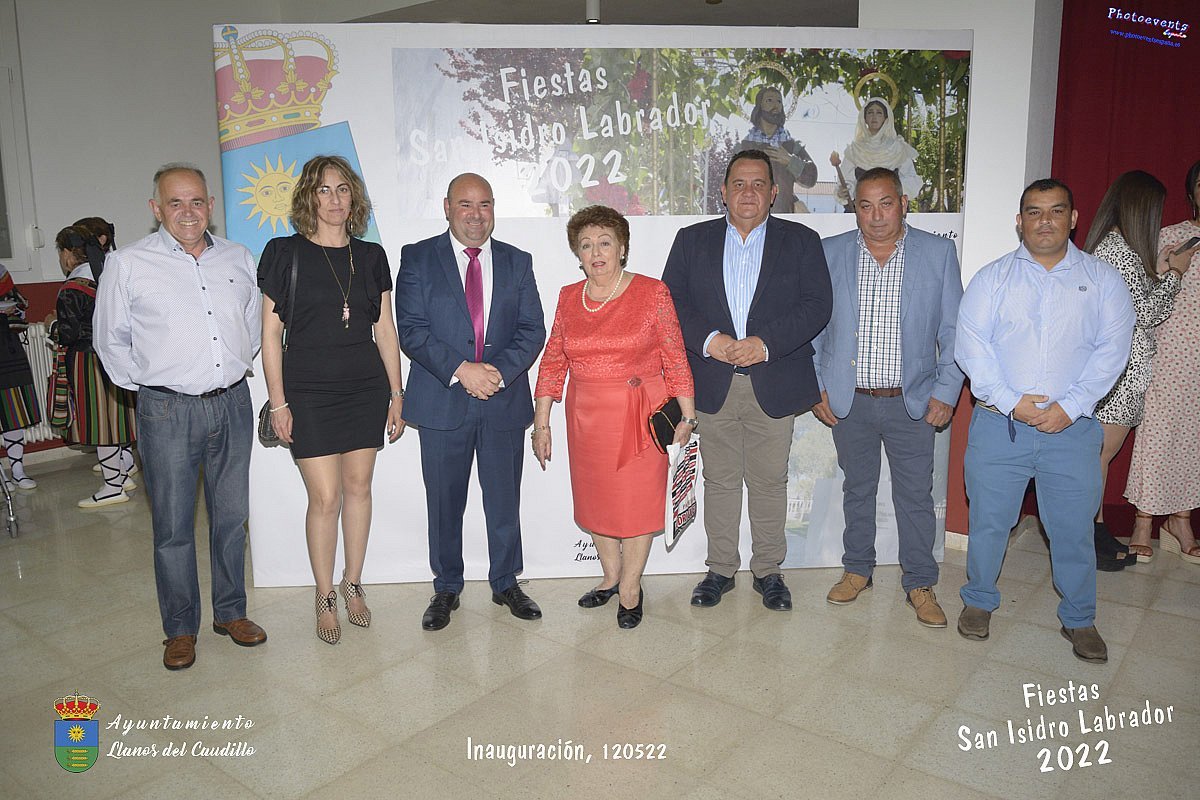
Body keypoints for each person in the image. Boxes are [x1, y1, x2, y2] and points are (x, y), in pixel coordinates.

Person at [94, 163, 266, 670]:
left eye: (196, 202)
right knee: (172, 526)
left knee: (231, 518)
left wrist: (224, 371)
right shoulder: (128, 264)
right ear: (156, 209)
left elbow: (251, 328)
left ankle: (230, 612)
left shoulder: (238, 257)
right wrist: (155, 386)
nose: (187, 212)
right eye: (175, 203)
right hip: (166, 410)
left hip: (233, 403)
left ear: (210, 205)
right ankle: (180, 628)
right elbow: (110, 340)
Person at [955, 179, 1135, 664]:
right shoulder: (992, 279)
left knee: (1073, 530)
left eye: (1056, 211)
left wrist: (1069, 407)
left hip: (1072, 430)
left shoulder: (1103, 281)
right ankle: (978, 601)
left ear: (1073, 219)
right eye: (1034, 212)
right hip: (1000, 425)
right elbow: (971, 347)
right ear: (1020, 221)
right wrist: (1011, 402)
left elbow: (1112, 352)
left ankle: (1079, 617)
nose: (1045, 221)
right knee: (989, 523)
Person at [662, 149, 832, 611]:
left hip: (773, 380)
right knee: (718, 480)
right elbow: (671, 302)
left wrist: (765, 344)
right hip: (712, 381)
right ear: (723, 192)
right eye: (739, 184)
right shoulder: (691, 240)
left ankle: (769, 571)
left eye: (759, 184)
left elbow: (817, 305)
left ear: (774, 193)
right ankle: (720, 569)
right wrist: (710, 340)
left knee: (769, 481)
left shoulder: (801, 241)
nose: (748, 193)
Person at [258, 155, 405, 645]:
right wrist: (278, 402)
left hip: (365, 388)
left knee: (359, 488)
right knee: (325, 497)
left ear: (354, 197)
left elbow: (386, 330)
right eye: (324, 189)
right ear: (309, 196)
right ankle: (324, 595)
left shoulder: (371, 256)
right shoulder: (284, 253)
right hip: (308, 391)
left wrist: (396, 393)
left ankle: (353, 583)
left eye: (343, 189)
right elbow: (270, 334)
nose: (335, 199)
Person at [812, 167, 964, 627]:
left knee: (915, 495)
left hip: (911, 403)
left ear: (903, 204)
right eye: (865, 205)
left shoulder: (937, 253)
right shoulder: (830, 253)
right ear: (854, 209)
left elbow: (954, 331)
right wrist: (815, 386)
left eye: (886, 204)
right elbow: (813, 329)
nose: (876, 216)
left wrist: (947, 391)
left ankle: (920, 582)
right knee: (857, 490)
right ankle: (858, 569)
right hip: (850, 400)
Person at [532, 205, 696, 629]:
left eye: (605, 243)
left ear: (622, 248)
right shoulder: (569, 297)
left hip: (640, 417)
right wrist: (542, 423)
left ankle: (630, 588)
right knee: (596, 502)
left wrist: (687, 418)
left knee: (637, 506)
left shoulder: (652, 292)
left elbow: (675, 356)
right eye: (586, 245)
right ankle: (609, 576)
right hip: (586, 419)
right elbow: (553, 362)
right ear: (577, 254)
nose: (596, 253)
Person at [396, 173, 547, 631]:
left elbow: (532, 330)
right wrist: (464, 370)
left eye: (484, 205)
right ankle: (446, 587)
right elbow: (412, 330)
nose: (476, 215)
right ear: (447, 207)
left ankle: (506, 582)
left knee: (504, 500)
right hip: (442, 401)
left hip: (502, 399)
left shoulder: (517, 261)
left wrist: (495, 373)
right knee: (444, 503)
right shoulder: (418, 257)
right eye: (465, 204)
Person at [1082, 171, 1191, 569]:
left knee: (1098, 457)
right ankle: (1088, 537)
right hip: (1118, 373)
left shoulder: (1117, 248)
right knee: (1098, 456)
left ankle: (1093, 532)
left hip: (1119, 371)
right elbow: (1144, 313)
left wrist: (1158, 270)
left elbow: (1133, 300)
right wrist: (1175, 273)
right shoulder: (1118, 250)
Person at [1125, 158, 1200, 564]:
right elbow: (1143, 291)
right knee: (1157, 434)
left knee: (1195, 438)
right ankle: (1143, 521)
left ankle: (1181, 521)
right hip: (1170, 352)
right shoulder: (1169, 236)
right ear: (1191, 193)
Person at [51, 223, 138, 507]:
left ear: (67, 253)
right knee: (116, 420)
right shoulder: (108, 276)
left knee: (100, 425)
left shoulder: (73, 288)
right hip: (117, 355)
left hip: (88, 361)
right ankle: (123, 473)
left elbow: (68, 334)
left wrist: (51, 324)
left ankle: (113, 487)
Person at [830, 98, 922, 211]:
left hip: (891, 210)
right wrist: (844, 192)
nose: (874, 117)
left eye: (879, 113)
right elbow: (846, 182)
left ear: (885, 118)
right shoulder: (854, 150)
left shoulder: (898, 148)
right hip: (863, 210)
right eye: (870, 113)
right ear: (864, 118)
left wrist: (889, 191)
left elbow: (910, 179)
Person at [737, 87, 818, 214]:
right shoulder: (746, 146)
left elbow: (811, 177)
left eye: (779, 102)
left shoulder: (791, 146)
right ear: (759, 106)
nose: (776, 106)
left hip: (784, 211)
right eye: (769, 100)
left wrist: (790, 161)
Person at [0, 263, 40, 490]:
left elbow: (18, 301)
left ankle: (17, 471)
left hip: (8, 348)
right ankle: (1, 477)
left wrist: (15, 308)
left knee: (14, 411)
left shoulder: (1, 271)